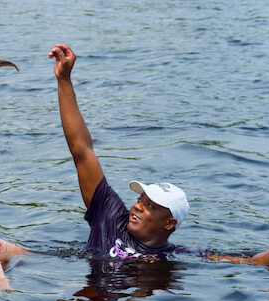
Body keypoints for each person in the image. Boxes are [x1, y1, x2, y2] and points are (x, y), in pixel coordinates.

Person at [49, 44, 189, 261]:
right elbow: (82, 151)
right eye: (140, 200)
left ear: (170, 224)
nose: (137, 206)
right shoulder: (111, 217)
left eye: (150, 205)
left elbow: (244, 261)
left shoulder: (173, 260)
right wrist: (64, 80)